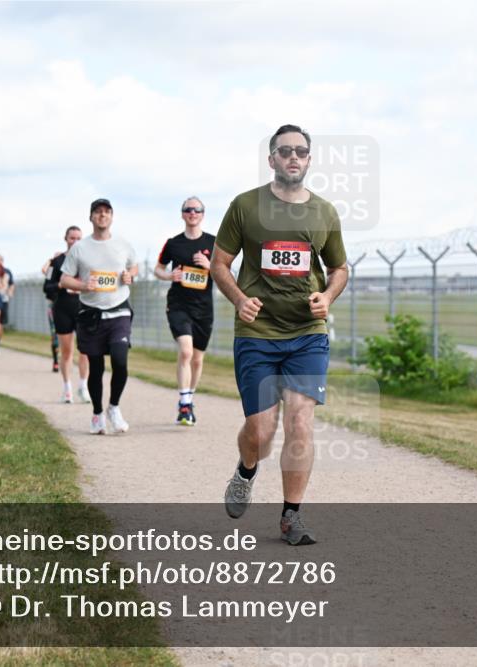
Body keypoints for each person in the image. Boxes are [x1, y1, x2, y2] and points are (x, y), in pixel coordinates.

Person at [211, 124, 349, 546]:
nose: (293, 157)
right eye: (284, 151)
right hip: (257, 334)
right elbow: (219, 263)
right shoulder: (245, 206)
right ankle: (246, 469)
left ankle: (292, 516)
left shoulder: (324, 212)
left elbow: (339, 268)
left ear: (309, 161)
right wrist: (238, 299)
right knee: (261, 430)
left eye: (301, 152)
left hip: (308, 334)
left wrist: (327, 296)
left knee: (300, 423)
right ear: (271, 159)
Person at [59, 198, 138, 435]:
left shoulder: (123, 244)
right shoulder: (80, 248)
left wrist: (129, 276)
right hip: (91, 315)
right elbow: (64, 280)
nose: (102, 215)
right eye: (98, 212)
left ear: (112, 217)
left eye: (107, 212)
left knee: (120, 360)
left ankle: (113, 407)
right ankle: (97, 413)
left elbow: (134, 267)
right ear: (91, 217)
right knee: (95, 367)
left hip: (119, 310)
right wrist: (84, 285)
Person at [154, 196, 216, 425]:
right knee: (186, 351)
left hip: (204, 309)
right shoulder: (173, 243)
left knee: (198, 360)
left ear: (203, 214)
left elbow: (225, 272)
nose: (192, 213)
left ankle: (189, 399)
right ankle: (184, 404)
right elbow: (158, 269)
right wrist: (170, 275)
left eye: (197, 210)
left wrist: (210, 266)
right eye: (188, 209)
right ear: (182, 214)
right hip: (178, 305)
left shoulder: (214, 243)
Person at [43, 226, 91, 403]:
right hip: (62, 309)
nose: (76, 242)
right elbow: (46, 287)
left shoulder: (88, 261)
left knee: (85, 351)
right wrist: (61, 285)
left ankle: (84, 387)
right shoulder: (57, 261)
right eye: (72, 238)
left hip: (84, 308)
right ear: (66, 239)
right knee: (67, 351)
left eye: (79, 238)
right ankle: (67, 389)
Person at [0, 254, 15, 328]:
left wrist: (10, 291)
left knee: (1, 321)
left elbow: (12, 283)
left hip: (4, 298)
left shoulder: (7, 271)